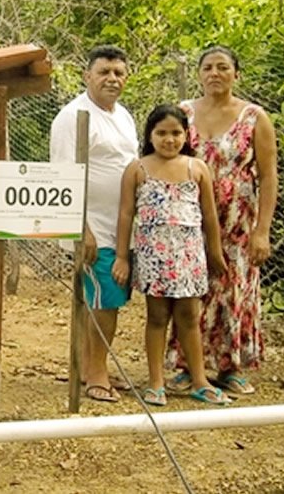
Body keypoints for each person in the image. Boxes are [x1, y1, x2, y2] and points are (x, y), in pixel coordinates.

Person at [166, 46, 278, 396]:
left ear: (236, 74)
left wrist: (262, 230)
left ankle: (231, 367)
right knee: (190, 288)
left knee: (234, 289)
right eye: (208, 68)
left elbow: (268, 175)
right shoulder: (184, 112)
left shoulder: (254, 117)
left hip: (238, 223)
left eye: (223, 67)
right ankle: (187, 364)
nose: (215, 73)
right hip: (189, 218)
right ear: (199, 74)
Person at [111, 105, 230, 405]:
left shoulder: (197, 168)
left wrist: (215, 251)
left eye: (176, 132)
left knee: (189, 316)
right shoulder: (137, 169)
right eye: (161, 133)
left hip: (189, 256)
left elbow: (210, 215)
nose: (169, 139)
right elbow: (125, 214)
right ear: (150, 135)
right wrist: (122, 256)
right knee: (157, 316)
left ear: (186, 135)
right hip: (153, 256)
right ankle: (156, 382)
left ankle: (199, 380)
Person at [50, 45, 138, 403]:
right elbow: (61, 173)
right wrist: (80, 229)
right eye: (104, 72)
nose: (111, 79)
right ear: (87, 76)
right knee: (105, 301)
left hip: (121, 229)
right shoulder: (72, 117)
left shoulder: (124, 116)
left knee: (102, 299)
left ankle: (89, 366)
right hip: (92, 230)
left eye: (118, 73)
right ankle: (97, 375)